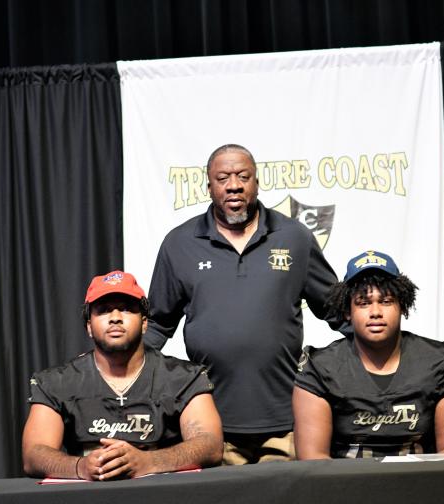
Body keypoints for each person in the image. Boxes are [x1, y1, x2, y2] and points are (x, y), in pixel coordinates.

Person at [145, 143, 340, 464]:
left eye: (243, 176)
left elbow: (337, 310)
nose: (233, 185)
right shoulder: (179, 243)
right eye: (223, 178)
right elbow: (157, 325)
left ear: (257, 182)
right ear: (209, 187)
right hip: (210, 426)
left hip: (285, 423)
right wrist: (113, 370)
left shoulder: (295, 237)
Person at [22, 270, 223, 480]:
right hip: (88, 503)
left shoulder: (184, 377)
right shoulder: (56, 382)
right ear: (89, 326)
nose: (116, 318)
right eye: (104, 311)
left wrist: (148, 462)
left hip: (163, 500)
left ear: (144, 322)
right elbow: (34, 454)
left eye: (126, 309)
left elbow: (210, 444)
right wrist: (80, 467)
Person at [293, 251, 444, 458]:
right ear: (347, 311)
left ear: (402, 306)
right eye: (363, 302)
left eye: (386, 301)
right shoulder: (320, 367)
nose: (375, 312)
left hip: (421, 485)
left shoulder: (441, 362)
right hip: (345, 487)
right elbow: (313, 459)